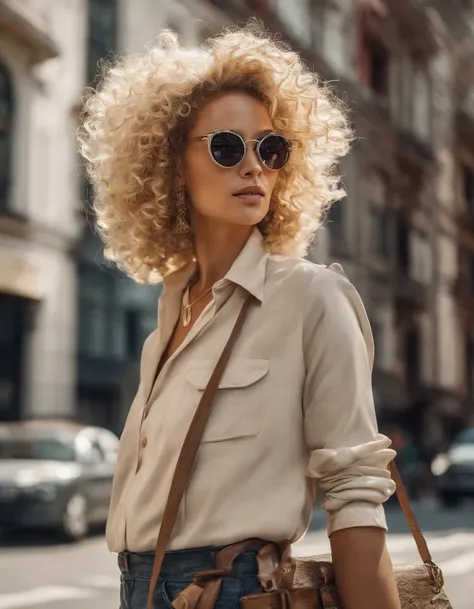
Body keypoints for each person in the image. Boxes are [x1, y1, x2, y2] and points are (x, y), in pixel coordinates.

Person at [78, 22, 401, 609]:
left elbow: (355, 491)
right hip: (141, 589)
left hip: (235, 591)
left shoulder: (310, 298)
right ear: (173, 165)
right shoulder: (172, 315)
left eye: (271, 149)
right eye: (228, 146)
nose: (254, 167)